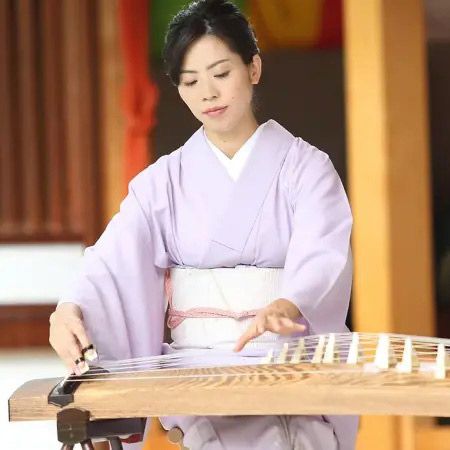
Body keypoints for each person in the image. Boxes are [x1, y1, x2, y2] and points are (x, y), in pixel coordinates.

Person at [49, 0, 358, 448]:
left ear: (253, 68)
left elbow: (323, 252)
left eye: (221, 73)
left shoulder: (306, 169)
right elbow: (111, 262)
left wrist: (290, 303)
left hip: (289, 363)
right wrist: (71, 308)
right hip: (198, 377)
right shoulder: (162, 183)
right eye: (191, 81)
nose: (208, 93)